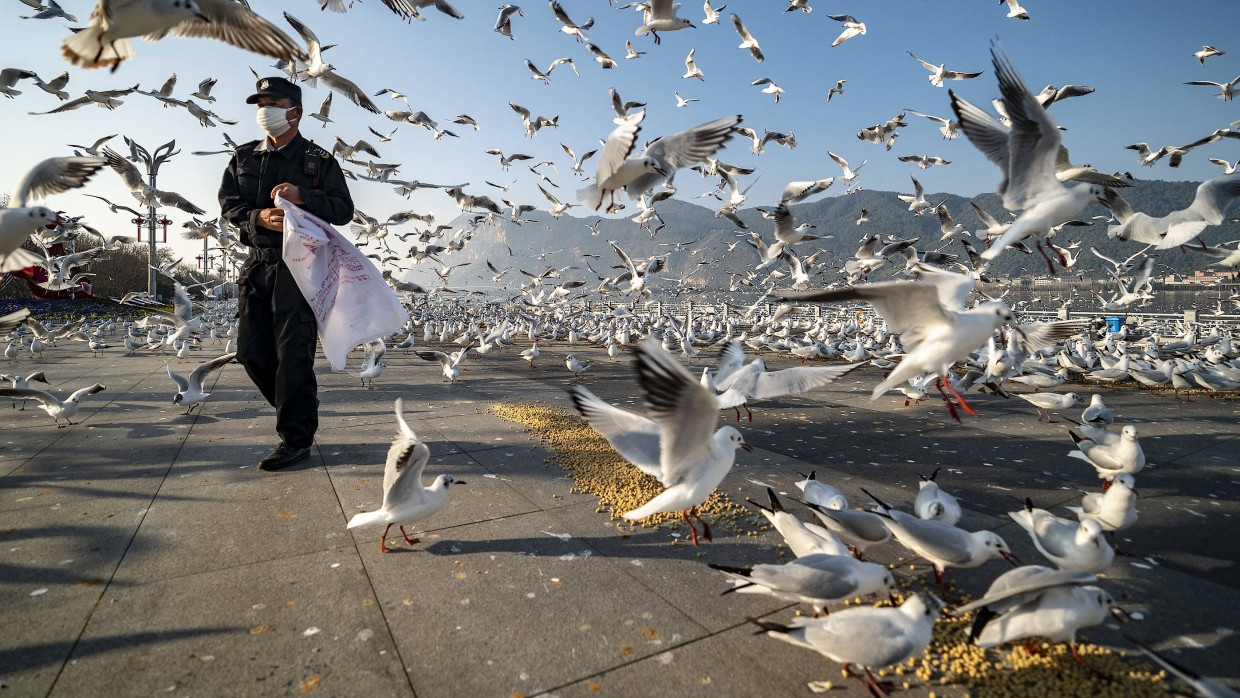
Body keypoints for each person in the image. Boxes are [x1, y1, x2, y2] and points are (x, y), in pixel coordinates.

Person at [219, 77, 354, 470]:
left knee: (293, 354)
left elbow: (343, 210)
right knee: (250, 353)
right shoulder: (243, 158)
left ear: (294, 111)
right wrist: (256, 216)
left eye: (273, 103)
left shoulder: (318, 160)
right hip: (258, 263)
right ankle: (299, 404)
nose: (265, 111)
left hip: (301, 267)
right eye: (260, 104)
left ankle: (295, 438)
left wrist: (303, 196)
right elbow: (229, 206)